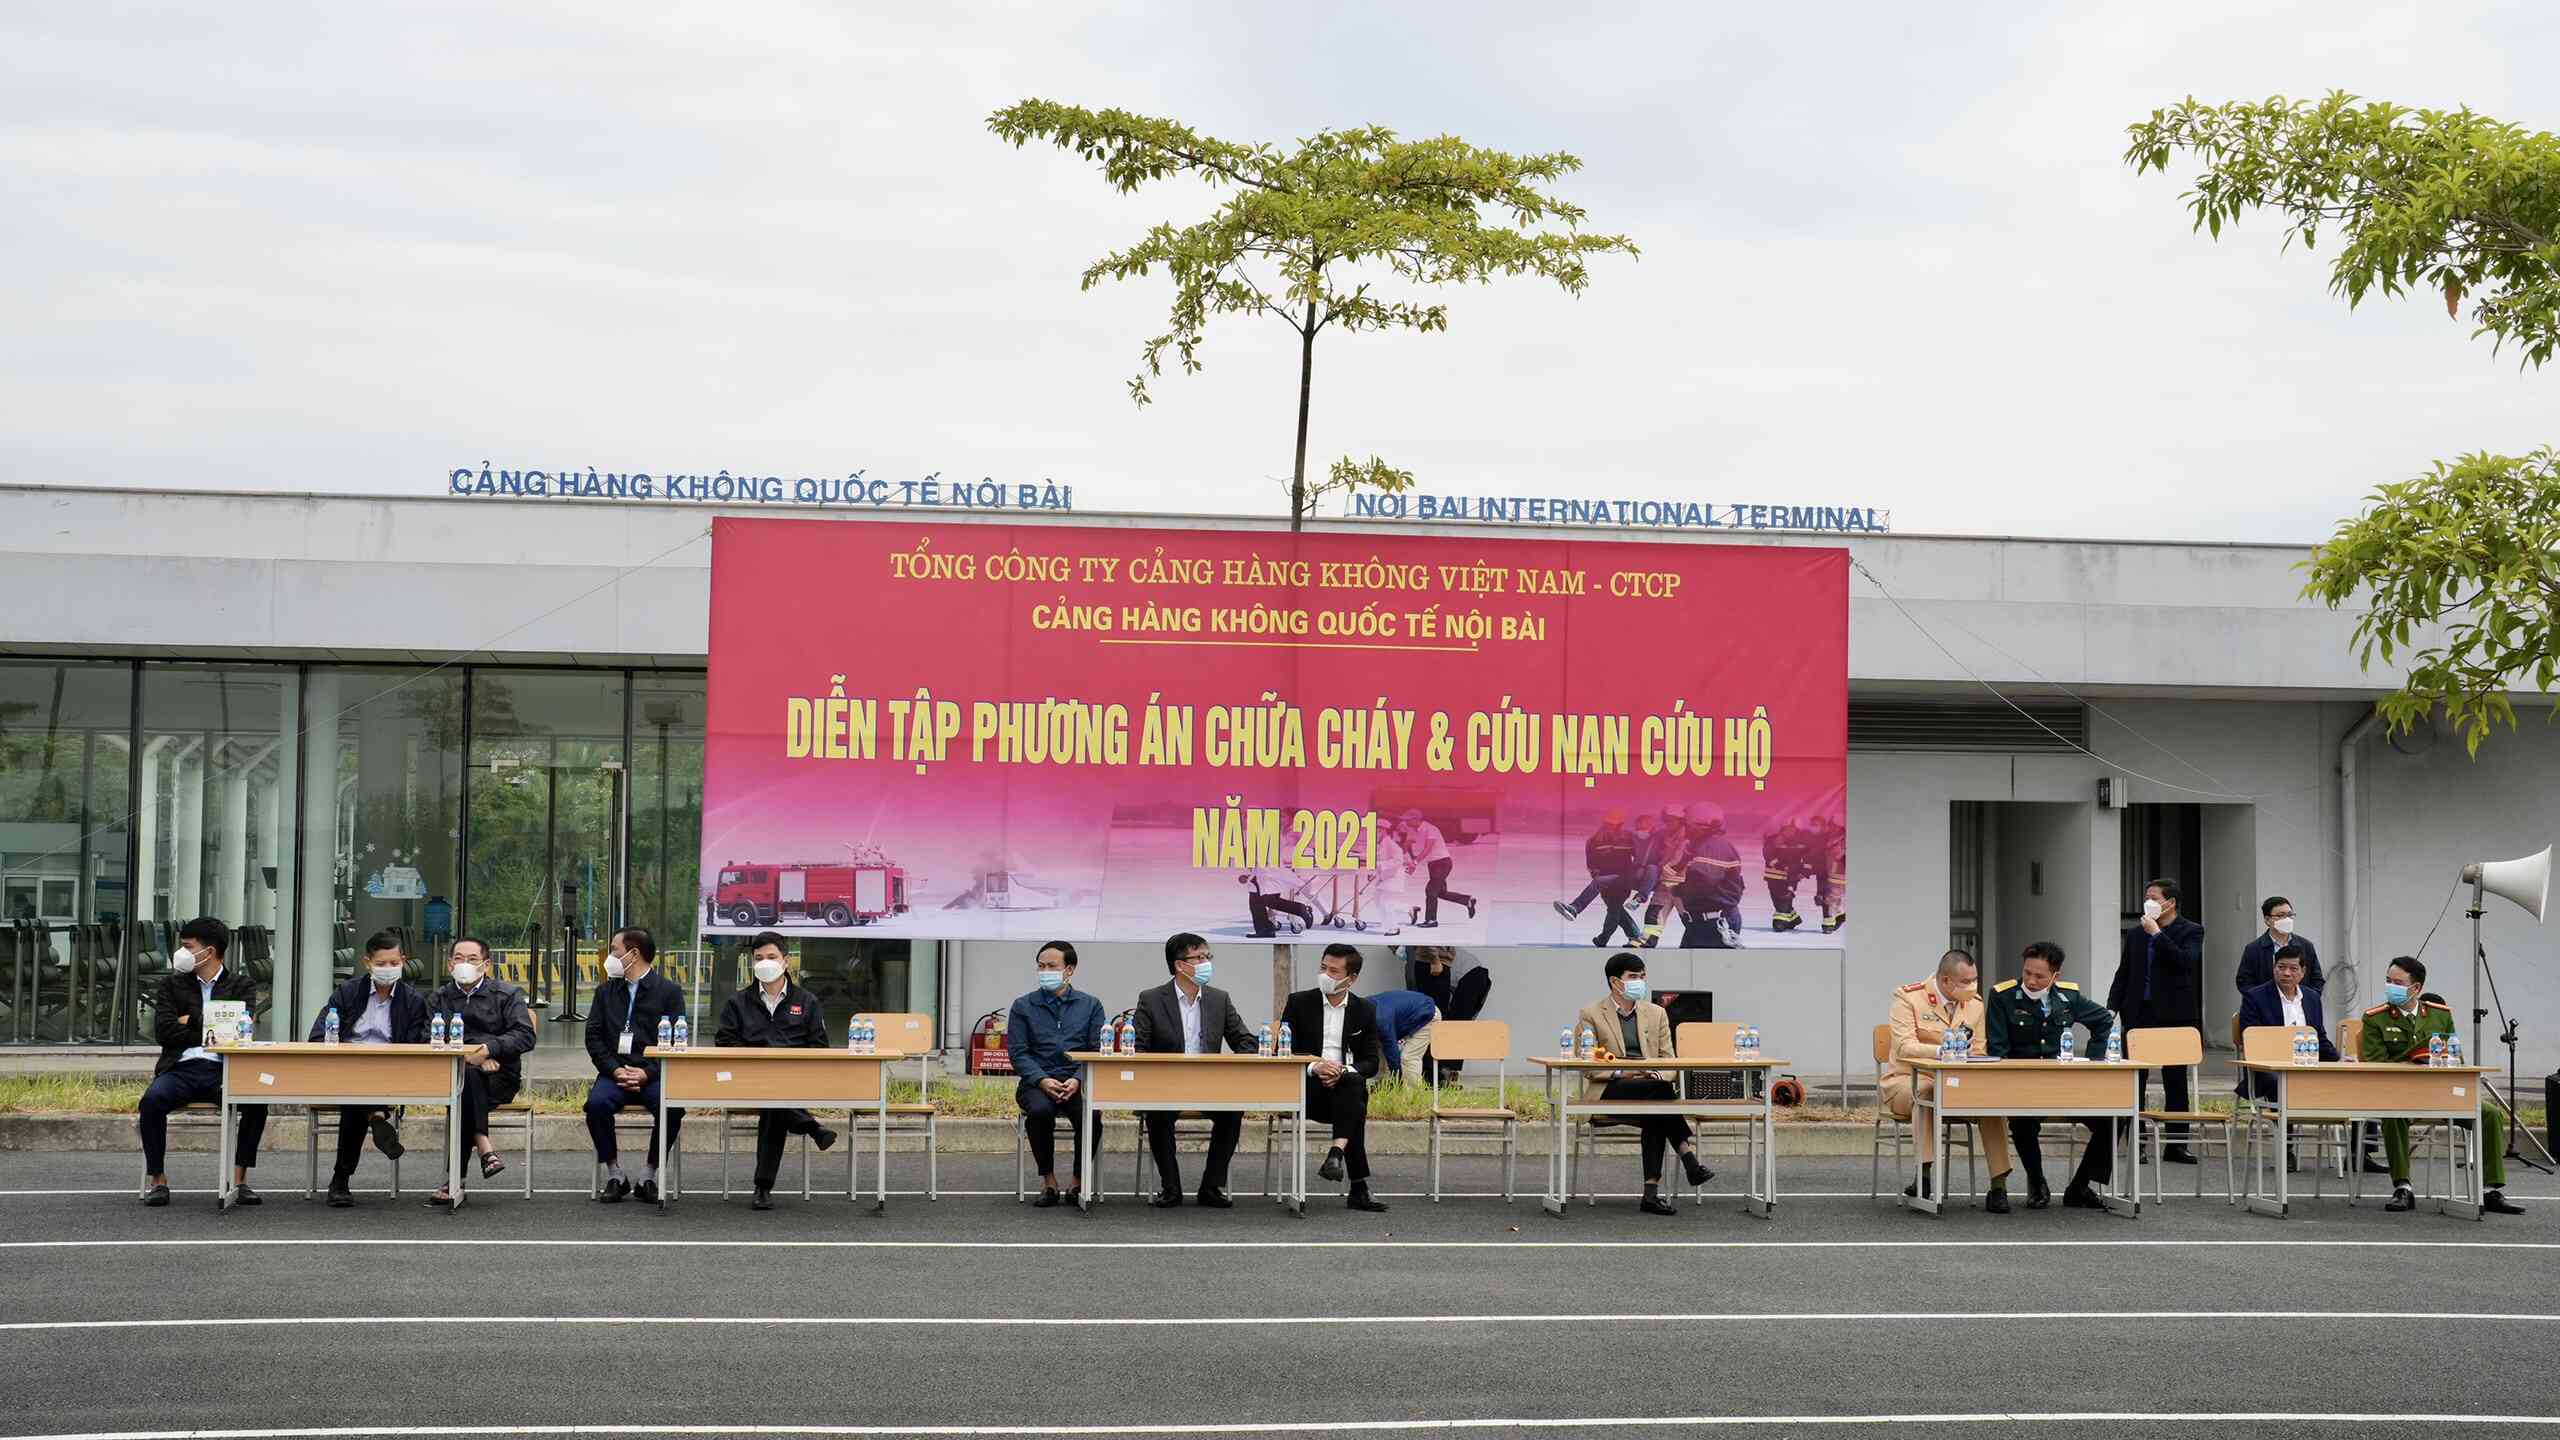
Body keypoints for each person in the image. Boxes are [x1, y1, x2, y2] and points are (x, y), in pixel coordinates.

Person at [2360, 956, 2524, 1215]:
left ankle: (2490, 1190)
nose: (2391, 987)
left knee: (2490, 1113)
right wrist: (2413, 1062)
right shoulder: (2375, 1018)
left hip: (2440, 1091)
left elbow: (2455, 1056)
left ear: (2416, 988)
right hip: (2400, 1093)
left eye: (2398, 983)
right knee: (2393, 1116)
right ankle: (2403, 1187)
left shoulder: (2440, 1015)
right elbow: (2375, 1064)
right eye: (2388, 981)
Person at [138, 916, 269, 1208]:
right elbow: (164, 1032)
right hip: (180, 1069)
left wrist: (191, 1020)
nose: (181, 953)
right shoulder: (171, 985)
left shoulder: (241, 985)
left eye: (187, 946)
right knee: (152, 1101)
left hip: (223, 1069)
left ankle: (238, 1180)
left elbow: (237, 1032)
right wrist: (212, 1026)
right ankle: (158, 1180)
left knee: (257, 1103)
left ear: (209, 952)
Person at [1573, 953, 1714, 1214]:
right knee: (1660, 1098)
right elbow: (1588, 1064)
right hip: (1611, 1088)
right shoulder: (1591, 1014)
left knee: (1656, 1108)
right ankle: (1688, 1157)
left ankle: (1651, 1195)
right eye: (1633, 977)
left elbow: (1669, 1060)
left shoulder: (1656, 1013)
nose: (1640, 981)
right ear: (1615, 982)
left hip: (1651, 1087)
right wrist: (1624, 1073)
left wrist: (1657, 1075)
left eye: (1642, 976)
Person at [1131, 932, 1260, 1207]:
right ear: (1180, 965)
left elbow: (1244, 1040)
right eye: (1199, 957)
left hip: (1209, 1084)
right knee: (1158, 1114)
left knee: (1232, 1112)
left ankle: (1211, 1187)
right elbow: (1138, 1047)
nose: (1206, 963)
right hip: (1165, 1084)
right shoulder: (1151, 999)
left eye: (1207, 956)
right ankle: (1171, 1187)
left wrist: (1238, 1066)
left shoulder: (1219, 999)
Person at [1881, 949, 2016, 1211]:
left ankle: (1998, 1185)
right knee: (1928, 1093)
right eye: (1966, 981)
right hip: (1907, 1081)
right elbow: (1904, 1047)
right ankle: (1924, 1176)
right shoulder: (1908, 997)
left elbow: (1978, 1050)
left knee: (1992, 1102)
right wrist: (1942, 1051)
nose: (1972, 986)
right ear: (1945, 980)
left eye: (1975, 980)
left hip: (1956, 1083)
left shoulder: (1975, 1004)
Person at [1987, 941, 2117, 1211]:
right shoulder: (2003, 996)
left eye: (2039, 976)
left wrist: (2093, 1062)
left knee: (2114, 1117)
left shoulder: (2068, 998)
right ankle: (2037, 1182)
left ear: (2055, 976)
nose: (2031, 981)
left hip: (2064, 1083)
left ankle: (2080, 1186)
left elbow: (2103, 1020)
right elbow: (1998, 1050)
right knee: (2022, 1120)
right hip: (2023, 1082)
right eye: (2027, 973)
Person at [713, 932, 838, 1210]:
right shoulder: (738, 1002)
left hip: (794, 1079)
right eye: (758, 958)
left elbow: (819, 1046)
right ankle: (811, 1128)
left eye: (771, 957)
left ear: (786, 961)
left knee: (774, 1101)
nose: (764, 963)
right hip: (749, 1078)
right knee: (773, 1098)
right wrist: (755, 1057)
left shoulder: (807, 1001)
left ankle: (763, 1186)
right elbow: (724, 1041)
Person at [308, 930, 431, 1206]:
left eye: (394, 963)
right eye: (381, 963)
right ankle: (375, 1115)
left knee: (356, 1101)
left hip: (390, 1073)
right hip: (346, 1069)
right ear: (367, 963)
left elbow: (416, 1045)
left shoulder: (413, 1000)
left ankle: (341, 1180)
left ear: (404, 961)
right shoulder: (348, 992)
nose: (388, 968)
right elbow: (318, 1035)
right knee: (356, 1091)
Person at [423, 936, 537, 1207]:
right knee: (467, 1081)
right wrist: (468, 1059)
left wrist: (488, 1050)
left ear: (486, 965)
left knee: (463, 1090)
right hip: (455, 1072)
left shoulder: (507, 995)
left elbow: (525, 1035)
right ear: (449, 965)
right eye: (459, 958)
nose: (465, 964)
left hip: (500, 1076)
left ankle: (454, 1180)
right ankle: (485, 1148)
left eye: (472, 959)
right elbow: (427, 1037)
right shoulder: (439, 998)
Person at [582, 926, 690, 1203]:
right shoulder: (605, 992)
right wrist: (614, 1069)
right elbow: (593, 1037)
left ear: (633, 954)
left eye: (614, 950)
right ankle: (615, 1174)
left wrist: (647, 1072)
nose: (610, 956)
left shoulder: (668, 991)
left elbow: (677, 1041)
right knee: (596, 1105)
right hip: (614, 1073)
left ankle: (649, 1175)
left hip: (652, 1074)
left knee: (672, 1109)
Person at [1280, 944, 1391, 1212]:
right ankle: (1356, 1184)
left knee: (1353, 1084)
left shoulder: (1364, 1009)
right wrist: (1315, 1067)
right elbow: (1283, 1051)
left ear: (1350, 979)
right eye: (1323, 967)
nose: (1325, 975)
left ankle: (1336, 1155)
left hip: (1343, 1089)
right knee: (1356, 1104)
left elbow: (1371, 1062)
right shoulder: (1299, 1002)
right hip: (1307, 1088)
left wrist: (1341, 1070)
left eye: (1333, 971)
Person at [2107, 878, 2204, 1164]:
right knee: (2136, 1079)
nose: (2147, 902)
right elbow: (2124, 972)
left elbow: (2185, 962)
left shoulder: (2191, 930)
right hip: (2140, 1012)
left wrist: (2158, 935)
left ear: (2170, 903)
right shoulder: (2136, 934)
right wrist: (2112, 1006)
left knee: (2175, 1080)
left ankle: (2176, 1144)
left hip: (2175, 1014)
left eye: (2154, 897)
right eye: (2146, 897)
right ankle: (2137, 1143)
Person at [1007, 939, 1105, 1207]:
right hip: (1037, 1082)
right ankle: (1049, 1182)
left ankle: (1077, 1181)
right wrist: (1041, 1079)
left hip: (1077, 1081)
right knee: (1039, 1113)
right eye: (1041, 966)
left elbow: (1097, 1050)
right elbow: (1018, 1053)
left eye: (1052, 966)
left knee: (1091, 1116)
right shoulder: (1023, 1006)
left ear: (1069, 970)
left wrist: (1078, 1078)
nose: (1045, 971)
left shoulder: (1090, 1005)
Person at [1553, 809, 1641, 947]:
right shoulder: (1594, 841)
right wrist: (1598, 877)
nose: (1612, 827)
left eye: (1616, 825)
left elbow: (1640, 857)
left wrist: (1635, 875)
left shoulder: (1628, 838)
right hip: (1605, 883)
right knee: (1615, 909)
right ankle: (1633, 936)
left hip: (1623, 880)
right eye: (1610, 824)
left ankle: (1575, 909)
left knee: (1613, 907)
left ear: (1620, 825)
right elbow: (1592, 865)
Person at [1671, 802, 1747, 948]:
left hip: (1712, 924)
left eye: (1686, 824)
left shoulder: (1712, 847)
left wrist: (1677, 889)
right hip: (1704, 921)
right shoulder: (1704, 845)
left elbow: (1704, 881)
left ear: (1699, 825)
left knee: (1703, 962)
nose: (1684, 828)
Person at [1398, 809, 1475, 927]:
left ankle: (1431, 920)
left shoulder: (1430, 829)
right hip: (1432, 864)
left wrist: (1414, 863)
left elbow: (1428, 849)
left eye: (1407, 820)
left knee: (1431, 890)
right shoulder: (1412, 830)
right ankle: (1467, 900)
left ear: (1416, 819)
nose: (1405, 822)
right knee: (1441, 893)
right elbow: (1406, 846)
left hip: (1442, 863)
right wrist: (1403, 859)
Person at [2236, 896, 2324, 994]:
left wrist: (2307, 999)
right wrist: (2260, 1000)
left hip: (2299, 1002)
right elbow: (2244, 982)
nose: (2287, 919)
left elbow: (2317, 980)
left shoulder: (2306, 946)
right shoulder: (2254, 949)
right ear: (2267, 920)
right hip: (2266, 1002)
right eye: (2281, 915)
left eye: (2290, 915)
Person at [1369, 986, 1440, 1084]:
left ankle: (1412, 1092)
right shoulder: (1360, 1008)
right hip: (1408, 1013)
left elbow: (1391, 1050)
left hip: (1427, 1014)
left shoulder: (1381, 1019)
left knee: (1408, 1058)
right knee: (1379, 1049)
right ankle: (1383, 1086)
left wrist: (1398, 1080)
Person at [1761, 814, 1817, 933]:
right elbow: (1768, 854)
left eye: (1793, 829)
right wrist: (1780, 865)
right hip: (1774, 875)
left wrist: (1805, 871)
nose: (1790, 831)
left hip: (1791, 876)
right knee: (1777, 899)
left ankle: (1779, 922)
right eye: (1787, 828)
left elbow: (1809, 857)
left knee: (1785, 898)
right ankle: (1793, 919)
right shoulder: (1774, 839)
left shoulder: (1802, 841)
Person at [1242, 868, 1313, 938]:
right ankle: (1265, 929)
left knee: (1263, 899)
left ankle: (1265, 929)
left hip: (1268, 871)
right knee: (1266, 900)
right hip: (1265, 871)